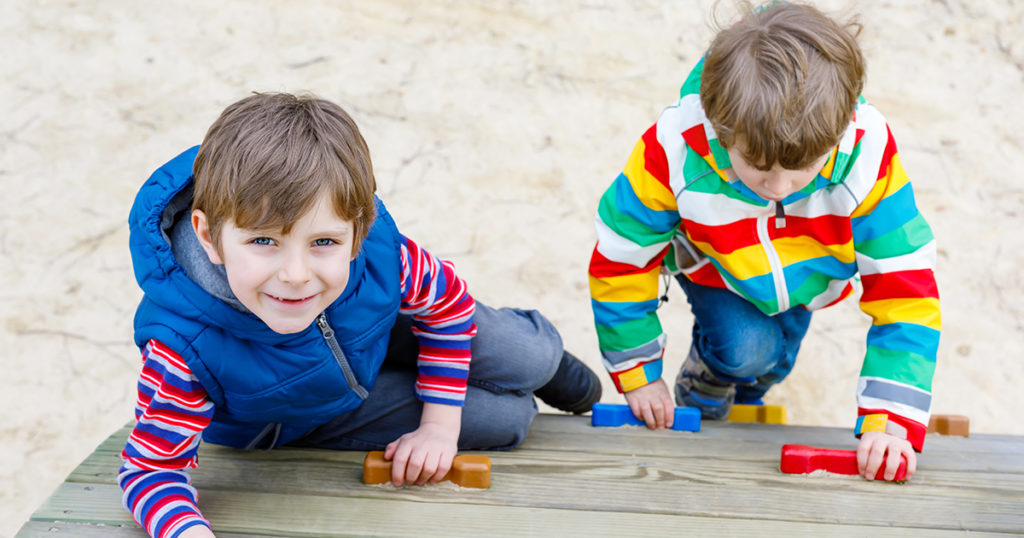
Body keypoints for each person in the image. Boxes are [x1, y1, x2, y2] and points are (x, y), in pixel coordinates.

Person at [120, 92, 601, 537]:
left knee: (527, 356)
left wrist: (438, 424)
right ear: (208, 236)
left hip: (375, 330)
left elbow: (449, 305)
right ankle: (493, 383)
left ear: (358, 230)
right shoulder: (184, 348)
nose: (295, 275)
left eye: (323, 242)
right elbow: (150, 471)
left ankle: (547, 362)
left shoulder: (381, 257)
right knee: (507, 420)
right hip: (304, 414)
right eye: (263, 241)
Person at [588, 2, 939, 483]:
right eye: (755, 167)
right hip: (717, 267)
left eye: (803, 171)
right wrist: (638, 372)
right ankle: (705, 380)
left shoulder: (867, 153)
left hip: (810, 278)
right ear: (718, 122)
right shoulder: (674, 148)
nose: (777, 188)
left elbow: (906, 287)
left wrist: (892, 420)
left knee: (773, 364)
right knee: (745, 349)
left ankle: (743, 391)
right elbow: (621, 257)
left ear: (837, 134)